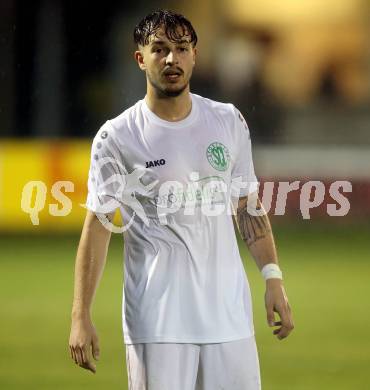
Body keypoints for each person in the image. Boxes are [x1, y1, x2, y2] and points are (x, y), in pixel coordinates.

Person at [68, 9, 294, 390]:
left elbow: (247, 206)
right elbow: (99, 227)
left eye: (181, 48)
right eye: (159, 49)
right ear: (140, 58)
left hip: (229, 319)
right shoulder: (117, 137)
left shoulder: (228, 121)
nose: (172, 59)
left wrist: (273, 277)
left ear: (195, 55)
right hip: (158, 323)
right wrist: (80, 315)